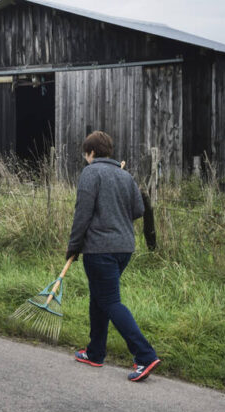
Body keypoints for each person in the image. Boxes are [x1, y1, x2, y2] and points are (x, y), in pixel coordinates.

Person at [67, 130, 161, 381]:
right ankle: (95, 352)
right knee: (99, 298)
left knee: (109, 301)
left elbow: (82, 213)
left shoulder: (91, 173)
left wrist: (73, 246)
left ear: (92, 153)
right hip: (124, 249)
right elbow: (139, 209)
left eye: (86, 154)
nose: (85, 158)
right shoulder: (125, 176)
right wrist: (116, 214)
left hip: (100, 249)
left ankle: (145, 355)